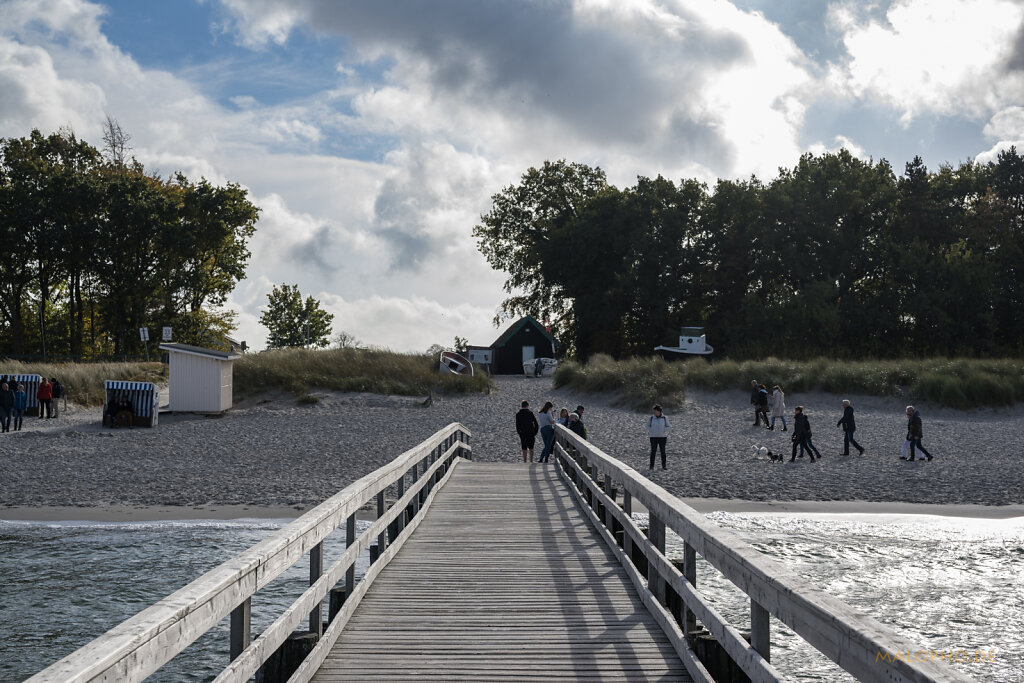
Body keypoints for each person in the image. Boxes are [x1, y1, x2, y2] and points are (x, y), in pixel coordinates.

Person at [647, 404, 670, 470]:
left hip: (662, 437)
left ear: (659, 411)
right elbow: (647, 425)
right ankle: (651, 466)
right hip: (653, 437)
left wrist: (663, 430)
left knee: (663, 451)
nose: (654, 412)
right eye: (653, 411)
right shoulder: (651, 418)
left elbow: (669, 426)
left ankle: (664, 465)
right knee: (653, 452)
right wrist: (652, 429)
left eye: (655, 411)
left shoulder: (665, 418)